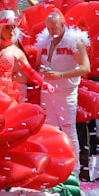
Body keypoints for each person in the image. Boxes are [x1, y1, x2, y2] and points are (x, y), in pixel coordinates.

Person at [37, 11, 91, 170]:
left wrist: (60, 75)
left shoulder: (74, 41)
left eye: (54, 28)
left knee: (68, 127)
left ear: (63, 25)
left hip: (66, 91)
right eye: (48, 28)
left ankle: (75, 168)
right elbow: (37, 63)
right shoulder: (45, 41)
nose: (51, 31)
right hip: (47, 89)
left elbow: (85, 67)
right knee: (49, 127)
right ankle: (52, 164)